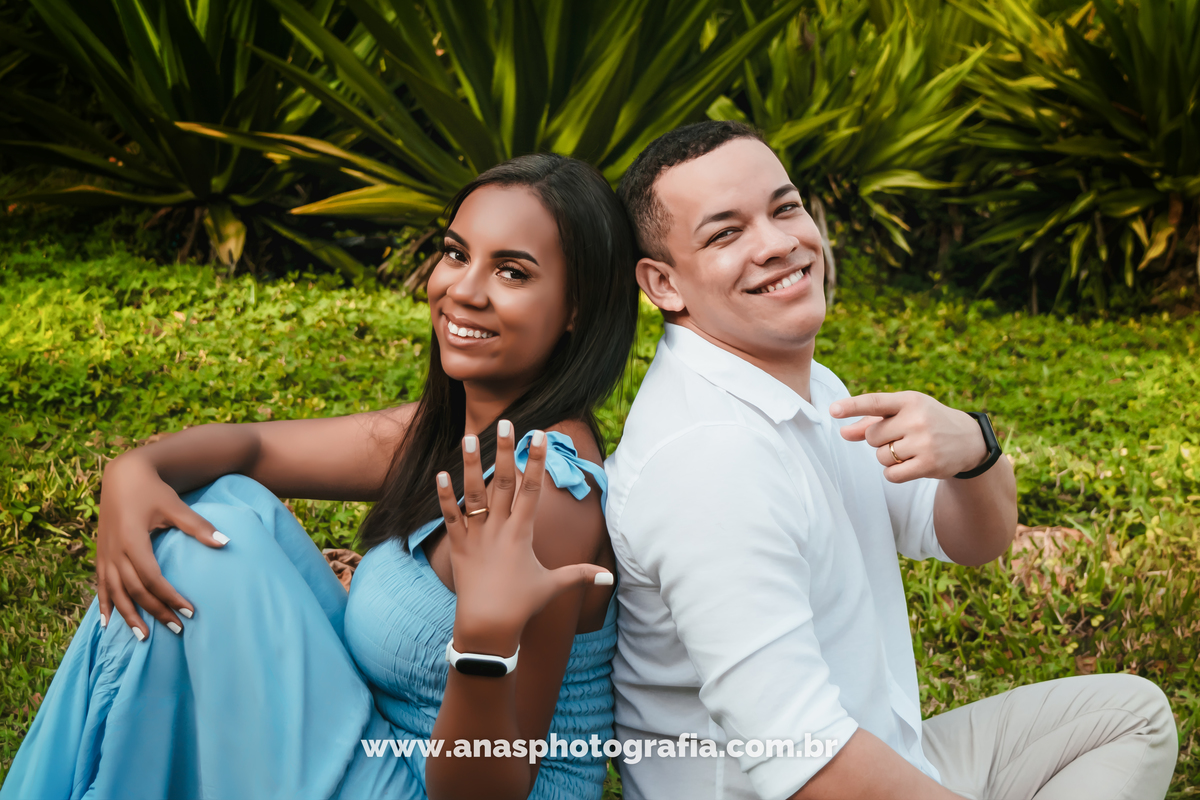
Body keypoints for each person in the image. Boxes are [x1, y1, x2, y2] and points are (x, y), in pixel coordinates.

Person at [1, 153, 640, 800]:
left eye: (511, 271)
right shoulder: (454, 430)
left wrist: (483, 639)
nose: (464, 290)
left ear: (576, 309)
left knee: (210, 547)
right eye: (455, 254)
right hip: (379, 745)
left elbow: (484, 790)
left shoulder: (544, 493)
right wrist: (131, 470)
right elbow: (249, 450)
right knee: (223, 503)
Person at [604, 121, 1178, 800]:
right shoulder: (708, 463)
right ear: (663, 283)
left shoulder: (812, 389)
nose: (779, 243)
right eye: (726, 233)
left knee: (1129, 718)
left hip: (883, 755)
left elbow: (975, 540)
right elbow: (805, 764)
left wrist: (975, 450)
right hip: (803, 784)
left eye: (784, 208)